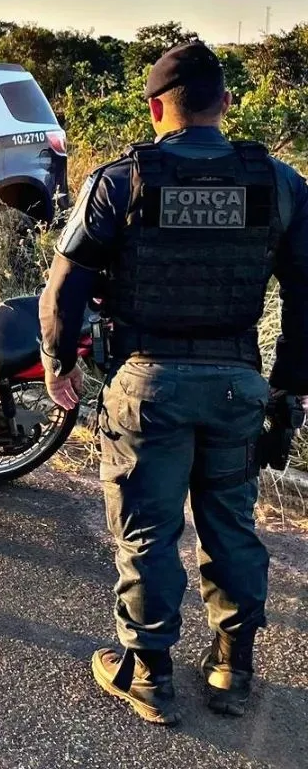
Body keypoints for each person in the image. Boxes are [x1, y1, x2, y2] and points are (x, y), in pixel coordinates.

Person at [39, 41, 308, 725]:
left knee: (147, 530)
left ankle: (150, 673)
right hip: (237, 385)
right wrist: (288, 388)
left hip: (146, 384)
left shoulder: (120, 180)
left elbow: (64, 288)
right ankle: (231, 667)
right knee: (231, 524)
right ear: (225, 104)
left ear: (156, 108)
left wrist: (57, 362)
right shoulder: (277, 182)